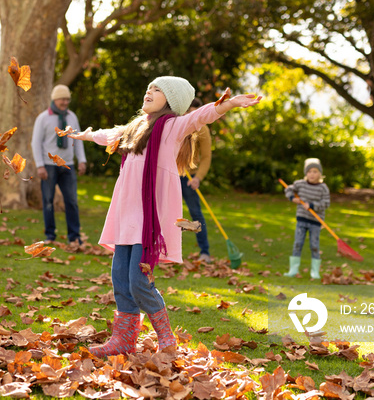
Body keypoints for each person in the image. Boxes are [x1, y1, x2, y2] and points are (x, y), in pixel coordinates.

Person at [69, 76, 261, 357]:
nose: (149, 90)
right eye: (149, 87)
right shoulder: (136, 127)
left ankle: (166, 338)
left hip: (150, 218)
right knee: (120, 277)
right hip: (126, 214)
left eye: (157, 89)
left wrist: (228, 105)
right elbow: (111, 134)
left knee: (138, 280)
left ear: (171, 101)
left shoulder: (171, 127)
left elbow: (200, 117)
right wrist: (83, 135)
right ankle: (123, 340)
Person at [31, 84, 87, 246]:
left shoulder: (72, 117)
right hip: (49, 165)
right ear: (55, 99)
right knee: (48, 200)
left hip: (68, 165)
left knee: (71, 201)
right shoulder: (43, 118)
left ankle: (74, 236)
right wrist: (40, 165)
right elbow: (36, 143)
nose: (65, 102)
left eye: (67, 99)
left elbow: (78, 140)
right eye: (62, 99)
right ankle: (50, 235)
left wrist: (81, 160)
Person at [283, 158, 330, 279]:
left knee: (314, 245)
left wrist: (312, 205)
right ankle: (293, 270)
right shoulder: (300, 184)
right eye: (309, 172)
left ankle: (315, 272)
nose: (312, 174)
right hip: (301, 220)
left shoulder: (323, 188)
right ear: (306, 173)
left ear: (320, 173)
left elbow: (326, 203)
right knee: (298, 243)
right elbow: (288, 189)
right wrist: (292, 198)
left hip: (315, 222)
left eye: (315, 171)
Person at [180, 98, 212, 263]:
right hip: (172, 172)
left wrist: (198, 178)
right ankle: (166, 251)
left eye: (194, 113)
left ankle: (205, 252)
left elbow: (206, 157)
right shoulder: (177, 124)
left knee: (196, 213)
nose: (190, 116)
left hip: (189, 177)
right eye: (187, 112)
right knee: (167, 212)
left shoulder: (202, 129)